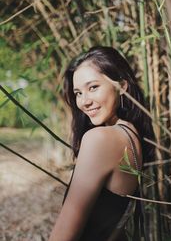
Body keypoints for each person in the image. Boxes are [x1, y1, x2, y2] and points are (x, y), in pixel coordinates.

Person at [49, 46, 154, 241]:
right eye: (78, 93)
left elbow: (63, 236)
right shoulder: (131, 133)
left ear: (122, 86)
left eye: (93, 87)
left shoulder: (100, 139)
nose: (84, 102)